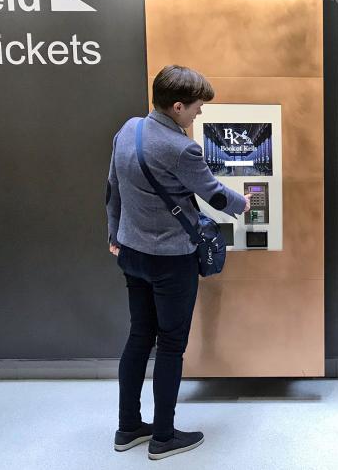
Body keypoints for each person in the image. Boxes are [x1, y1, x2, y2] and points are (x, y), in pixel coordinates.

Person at [105, 65, 250, 460]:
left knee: (139, 337)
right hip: (170, 260)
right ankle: (164, 437)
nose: (200, 114)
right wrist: (245, 203)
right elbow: (213, 195)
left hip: (131, 253)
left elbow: (113, 188)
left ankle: (128, 427)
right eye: (198, 107)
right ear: (179, 106)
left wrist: (114, 235)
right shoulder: (181, 147)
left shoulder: (128, 129)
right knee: (171, 346)